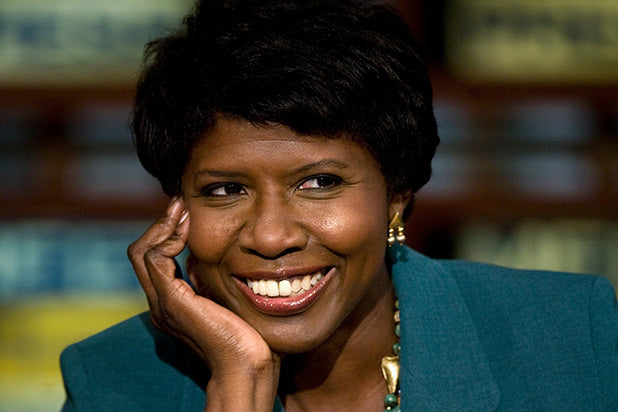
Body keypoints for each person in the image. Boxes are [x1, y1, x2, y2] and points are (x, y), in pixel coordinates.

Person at [59, 0, 618, 411]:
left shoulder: (573, 338)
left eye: (319, 182)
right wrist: (237, 380)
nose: (271, 237)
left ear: (397, 193)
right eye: (225, 191)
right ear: (177, 211)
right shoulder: (112, 381)